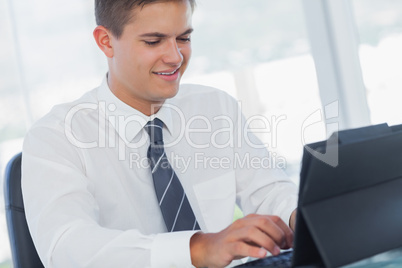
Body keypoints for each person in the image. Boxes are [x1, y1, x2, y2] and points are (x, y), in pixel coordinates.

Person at [22, 0, 298, 267]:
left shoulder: (216, 107)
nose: (175, 57)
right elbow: (67, 247)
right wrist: (197, 249)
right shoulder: (56, 137)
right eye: (154, 41)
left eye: (184, 38)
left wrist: (300, 216)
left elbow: (269, 191)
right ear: (106, 41)